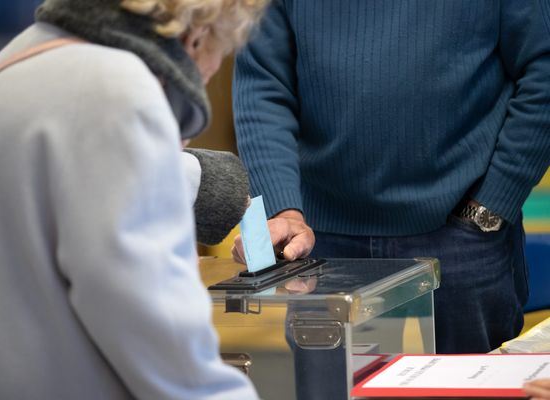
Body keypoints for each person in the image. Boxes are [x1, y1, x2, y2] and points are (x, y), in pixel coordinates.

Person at [232, 1, 550, 398]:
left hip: (460, 236)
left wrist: (492, 204)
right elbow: (262, 85)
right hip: (319, 240)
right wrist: (284, 209)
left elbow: (543, 74)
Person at [0, 0, 267, 399]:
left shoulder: (13, 61)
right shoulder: (119, 91)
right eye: (217, 57)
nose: (207, 77)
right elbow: (161, 339)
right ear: (198, 33)